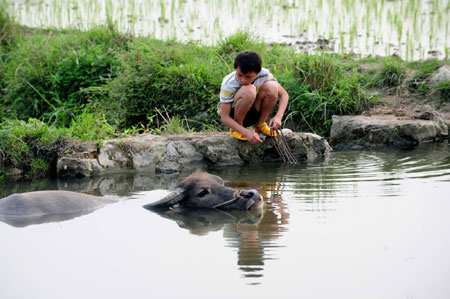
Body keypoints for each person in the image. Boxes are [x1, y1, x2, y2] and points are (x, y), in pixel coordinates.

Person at [218, 50, 289, 144]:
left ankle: (260, 124)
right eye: (239, 75)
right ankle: (237, 129)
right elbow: (224, 117)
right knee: (249, 90)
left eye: (248, 77)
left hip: (254, 110)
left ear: (258, 72)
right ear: (236, 69)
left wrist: (278, 117)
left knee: (272, 86)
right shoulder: (229, 83)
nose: (243, 80)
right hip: (233, 115)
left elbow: (284, 95)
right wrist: (245, 132)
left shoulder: (264, 74)